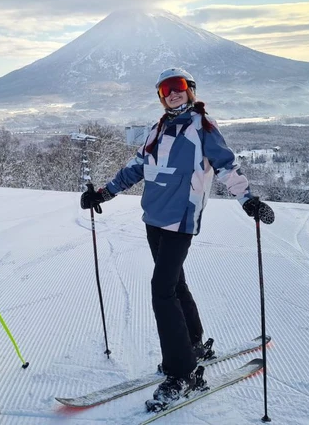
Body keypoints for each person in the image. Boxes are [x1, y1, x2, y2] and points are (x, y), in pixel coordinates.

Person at [80, 67, 275, 406]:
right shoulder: (157, 128)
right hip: (154, 217)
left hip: (181, 219)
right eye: (165, 89)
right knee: (175, 283)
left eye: (178, 87)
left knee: (161, 289)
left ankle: (182, 372)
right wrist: (103, 193)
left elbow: (227, 165)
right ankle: (194, 342)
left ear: (190, 90)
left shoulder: (203, 127)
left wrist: (248, 199)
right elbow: (137, 167)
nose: (172, 93)